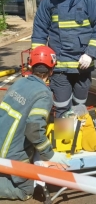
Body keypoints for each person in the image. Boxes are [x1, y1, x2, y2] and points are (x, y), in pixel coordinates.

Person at [31, 0, 96, 118]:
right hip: (59, 68)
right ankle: (63, 140)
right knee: (62, 108)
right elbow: (39, 31)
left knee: (79, 107)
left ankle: (78, 138)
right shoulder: (48, 1)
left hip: (82, 67)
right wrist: (39, 63)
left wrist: (91, 54)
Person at [0, 46, 70, 201]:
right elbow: (33, 129)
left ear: (30, 65)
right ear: (51, 70)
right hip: (10, 153)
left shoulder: (19, 83)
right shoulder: (44, 93)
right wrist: (50, 155)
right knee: (26, 190)